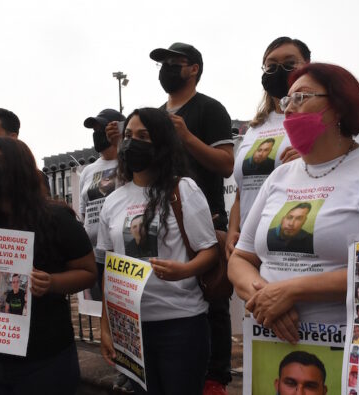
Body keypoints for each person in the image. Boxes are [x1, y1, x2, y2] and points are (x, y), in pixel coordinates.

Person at [229, 62, 359, 343]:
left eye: (301, 97)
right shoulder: (279, 177)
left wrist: (292, 291)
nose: (289, 108)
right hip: (270, 342)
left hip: (350, 345)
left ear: (339, 106)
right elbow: (241, 259)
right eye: (287, 100)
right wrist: (264, 297)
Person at [0, 137, 96, 394]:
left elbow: (88, 272)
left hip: (45, 359)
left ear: (19, 167)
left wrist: (52, 283)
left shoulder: (56, 218)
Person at [97, 108, 218, 395]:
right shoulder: (112, 201)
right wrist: (106, 327)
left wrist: (185, 270)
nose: (131, 142)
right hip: (131, 330)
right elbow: (108, 270)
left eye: (143, 136)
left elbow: (210, 251)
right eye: (128, 136)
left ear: (162, 142)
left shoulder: (182, 189)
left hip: (181, 325)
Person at [226, 37, 359, 260]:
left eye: (289, 63)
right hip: (251, 246)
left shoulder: (332, 122)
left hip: (305, 247)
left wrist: (308, 160)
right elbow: (241, 190)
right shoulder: (253, 128)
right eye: (271, 66)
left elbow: (354, 172)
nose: (279, 70)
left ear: (307, 65)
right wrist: (233, 230)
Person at [150, 41, 234, 394]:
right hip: (163, 218)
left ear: (194, 68)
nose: (167, 68)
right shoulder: (155, 113)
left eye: (174, 62)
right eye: (163, 62)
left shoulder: (209, 109)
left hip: (205, 217)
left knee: (211, 294)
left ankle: (215, 377)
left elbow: (227, 164)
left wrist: (186, 137)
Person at [80, 108, 125, 245]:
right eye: (94, 130)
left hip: (120, 247)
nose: (96, 134)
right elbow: (83, 213)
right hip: (94, 250)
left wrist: (121, 144)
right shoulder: (87, 171)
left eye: (101, 128)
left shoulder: (128, 164)